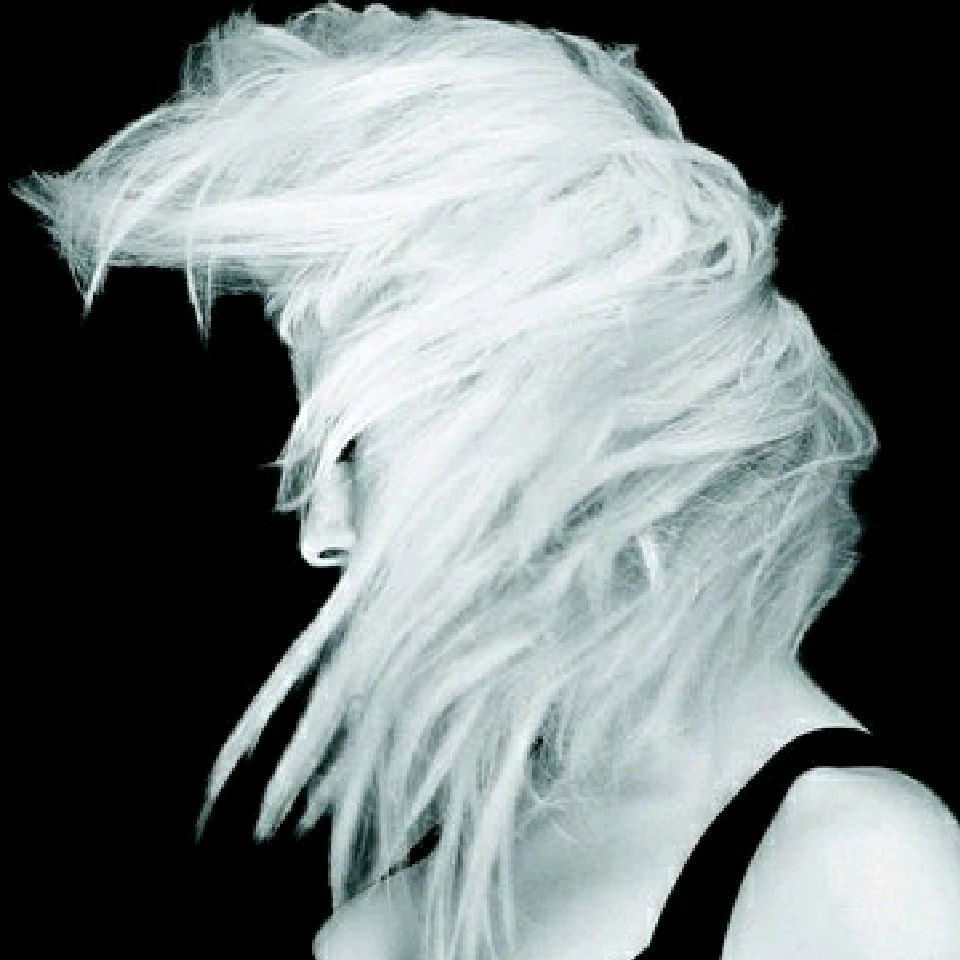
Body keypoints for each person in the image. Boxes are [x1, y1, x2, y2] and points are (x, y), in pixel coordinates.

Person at [12, 4, 959, 958]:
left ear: (563, 414)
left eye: (354, 450)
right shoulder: (394, 918)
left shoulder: (860, 871)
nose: (320, 536)